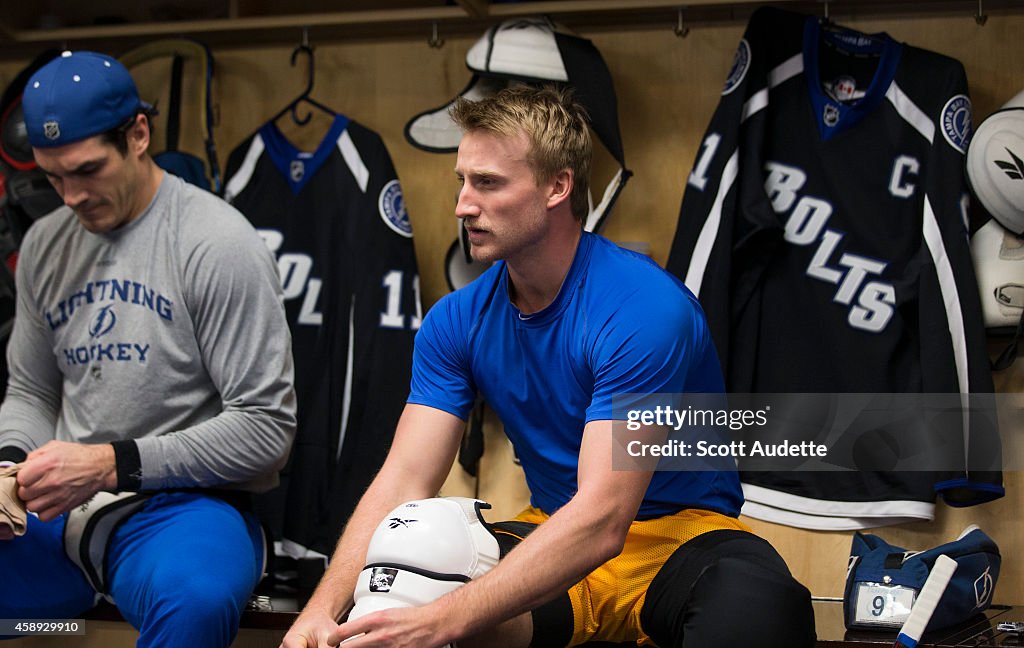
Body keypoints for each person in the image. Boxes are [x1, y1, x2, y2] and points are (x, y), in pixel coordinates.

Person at [281, 85, 814, 648]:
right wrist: (323, 611)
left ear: (558, 186)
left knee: (759, 608)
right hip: (553, 529)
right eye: (461, 181)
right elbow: (404, 481)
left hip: (677, 540)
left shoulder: (643, 309)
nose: (463, 204)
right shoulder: (455, 321)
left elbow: (605, 518)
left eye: (487, 183)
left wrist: (449, 619)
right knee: (409, 560)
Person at [0, 51, 296, 648]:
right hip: (53, 512)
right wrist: (8, 464)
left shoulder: (216, 242)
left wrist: (110, 463)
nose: (71, 196)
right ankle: (56, 614)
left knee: (196, 600)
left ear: (138, 134)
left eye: (87, 171)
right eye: (54, 177)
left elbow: (267, 429)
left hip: (175, 512)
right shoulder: (44, 244)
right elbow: (31, 389)